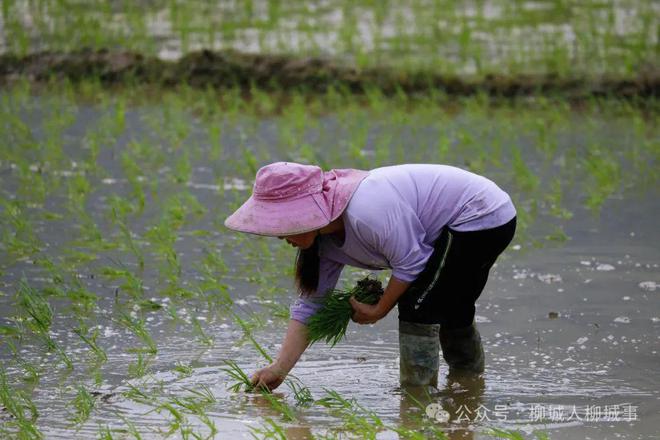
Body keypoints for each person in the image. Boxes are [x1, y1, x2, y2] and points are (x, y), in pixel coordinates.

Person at [224, 162, 516, 391]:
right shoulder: (323, 245)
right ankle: (468, 385)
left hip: (478, 215)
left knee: (419, 305)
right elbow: (310, 307)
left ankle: (417, 395)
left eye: (280, 224)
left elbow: (411, 262)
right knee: (452, 305)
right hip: (469, 219)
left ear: (304, 214)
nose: (278, 235)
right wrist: (279, 369)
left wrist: (379, 309)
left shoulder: (364, 212)